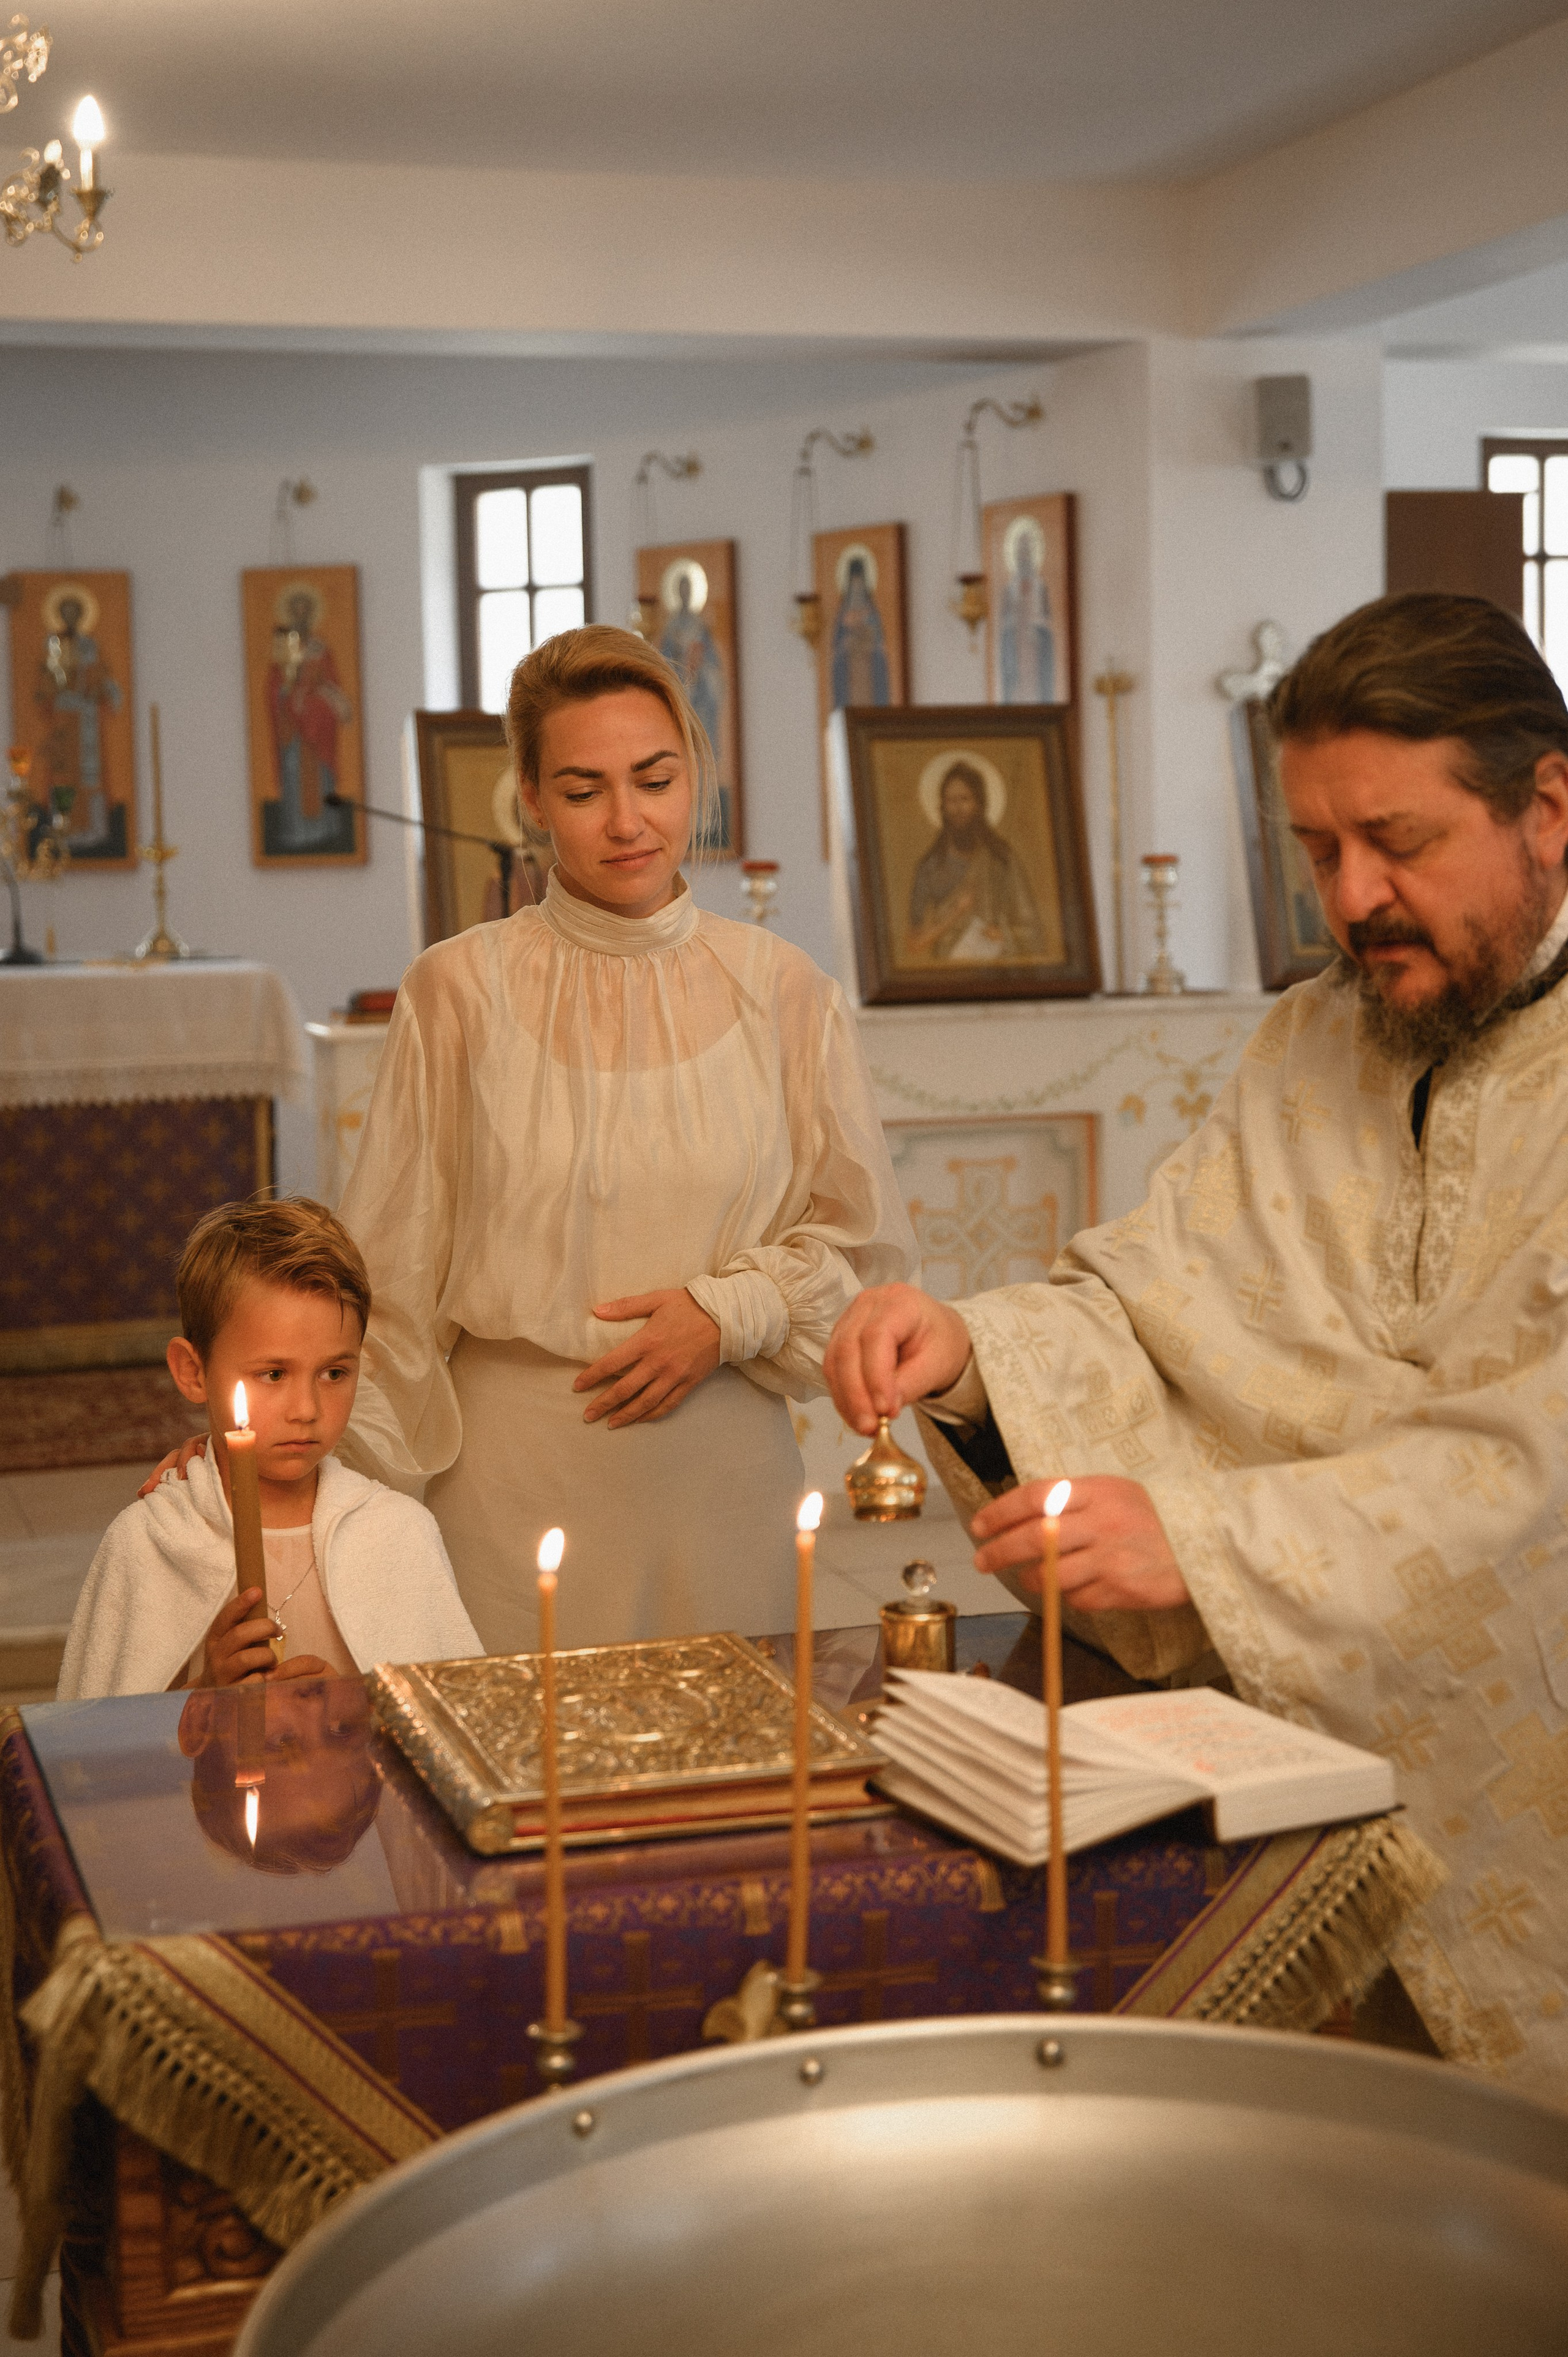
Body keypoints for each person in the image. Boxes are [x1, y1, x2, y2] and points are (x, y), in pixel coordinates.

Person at [824, 592, 1568, 2099]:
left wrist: (1209, 1539)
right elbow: (1160, 1297)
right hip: (1285, 1750)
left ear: (1545, 806)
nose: (1348, 896)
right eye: (1313, 849)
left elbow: (1540, 1455)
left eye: (1396, 841)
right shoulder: (1310, 1040)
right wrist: (968, 1352)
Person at [334, 625, 915, 1653]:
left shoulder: (785, 992)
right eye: (582, 788)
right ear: (528, 795)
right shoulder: (457, 990)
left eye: (655, 778)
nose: (628, 820)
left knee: (733, 1793)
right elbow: (392, 1280)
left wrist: (728, 1309)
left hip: (724, 1480)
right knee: (516, 1784)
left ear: (698, 771)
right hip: (511, 1483)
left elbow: (862, 1255)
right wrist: (322, 1492)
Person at [66, 1197, 480, 1698]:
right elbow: (101, 1754)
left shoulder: (398, 1535)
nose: (306, 1408)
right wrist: (207, 1696)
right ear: (193, 1372)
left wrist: (357, 1710)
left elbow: (456, 1729)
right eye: (274, 1374)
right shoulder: (152, 1542)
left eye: (334, 1373)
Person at [907, 759, 1047, 963]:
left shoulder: (1001, 859)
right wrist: (954, 914)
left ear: (979, 804)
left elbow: (1032, 929)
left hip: (998, 970)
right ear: (942, 807)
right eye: (951, 801)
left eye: (965, 799)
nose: (958, 809)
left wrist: (1004, 935)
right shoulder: (930, 866)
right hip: (947, 974)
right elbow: (913, 943)